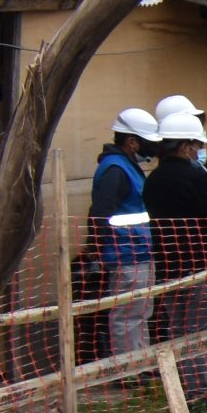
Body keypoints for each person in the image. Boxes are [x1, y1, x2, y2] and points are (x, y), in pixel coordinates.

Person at [144, 110, 207, 396]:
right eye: (196, 145)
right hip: (199, 264)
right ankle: (197, 393)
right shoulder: (195, 177)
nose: (198, 151)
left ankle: (178, 391)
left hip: (168, 266)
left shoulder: (153, 179)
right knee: (199, 332)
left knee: (177, 329)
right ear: (184, 146)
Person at [88, 109, 159, 361]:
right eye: (147, 143)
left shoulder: (128, 167)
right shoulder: (115, 170)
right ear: (131, 141)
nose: (152, 150)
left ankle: (141, 363)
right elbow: (99, 215)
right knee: (127, 315)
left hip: (139, 254)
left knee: (140, 313)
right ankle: (128, 369)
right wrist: (97, 252)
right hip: (126, 255)